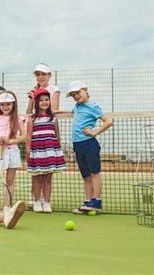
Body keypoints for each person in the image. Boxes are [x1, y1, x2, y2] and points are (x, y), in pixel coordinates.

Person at [64, 80, 113, 212]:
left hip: (89, 143)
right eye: (73, 95)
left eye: (78, 92)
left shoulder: (93, 107)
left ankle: (96, 201)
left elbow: (108, 121)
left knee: (94, 173)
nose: (76, 96)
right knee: (86, 176)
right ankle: (88, 202)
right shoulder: (77, 107)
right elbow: (68, 112)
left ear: (85, 90)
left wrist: (95, 132)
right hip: (77, 145)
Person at [26, 88, 66, 213]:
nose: (44, 102)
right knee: (38, 178)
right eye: (41, 100)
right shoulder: (32, 119)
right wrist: (28, 152)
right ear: (36, 102)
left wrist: (57, 152)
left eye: (47, 99)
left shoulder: (53, 119)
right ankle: (37, 202)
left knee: (48, 179)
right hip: (37, 152)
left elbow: (57, 136)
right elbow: (28, 136)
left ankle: (47, 202)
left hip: (50, 152)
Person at [0, 91, 26, 211]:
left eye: (8, 104)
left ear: (13, 104)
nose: (5, 107)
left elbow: (23, 136)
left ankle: (7, 207)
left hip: (12, 152)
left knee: (9, 181)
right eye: (2, 104)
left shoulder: (18, 119)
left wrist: (10, 141)